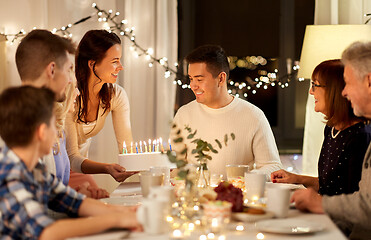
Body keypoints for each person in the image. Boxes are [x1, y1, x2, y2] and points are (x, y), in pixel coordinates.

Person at [0, 86, 141, 239]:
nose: (58, 133)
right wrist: (117, 219)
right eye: (54, 126)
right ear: (41, 132)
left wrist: (128, 212)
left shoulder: (34, 168)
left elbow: (73, 201)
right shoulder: (9, 174)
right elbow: (45, 232)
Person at [291, 41, 371, 239]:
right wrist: (300, 180)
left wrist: (318, 203)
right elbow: (337, 187)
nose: (345, 91)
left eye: (349, 83)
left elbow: (363, 205)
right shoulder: (332, 129)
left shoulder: (362, 134)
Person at [171, 45, 282, 180]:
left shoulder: (253, 116)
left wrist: (242, 180)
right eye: (191, 79)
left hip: (237, 197)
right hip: (195, 197)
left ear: (221, 79)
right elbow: (175, 165)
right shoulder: (184, 114)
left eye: (199, 79)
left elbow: (272, 166)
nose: (193, 86)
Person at [271, 59, 371, 196]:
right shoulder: (331, 129)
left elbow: (353, 200)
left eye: (315, 85)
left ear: (334, 90)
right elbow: (329, 186)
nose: (311, 92)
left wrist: (315, 203)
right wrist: (297, 178)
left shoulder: (360, 137)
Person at [65, 30, 135, 183]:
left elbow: (127, 149)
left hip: (80, 169)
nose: (121, 67)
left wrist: (152, 164)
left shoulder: (116, 95)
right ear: (92, 64)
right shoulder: (70, 94)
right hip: (56, 170)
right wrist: (107, 168)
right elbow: (71, 157)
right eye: (115, 61)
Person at [14, 29, 75, 175]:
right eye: (68, 70)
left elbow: (50, 189)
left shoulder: (41, 116)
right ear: (52, 70)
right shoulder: (25, 126)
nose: (70, 80)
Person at [53, 62, 109, 199]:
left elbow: (56, 195)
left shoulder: (58, 133)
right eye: (73, 87)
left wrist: (78, 193)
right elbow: (46, 204)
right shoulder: (42, 136)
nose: (78, 93)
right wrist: (78, 198)